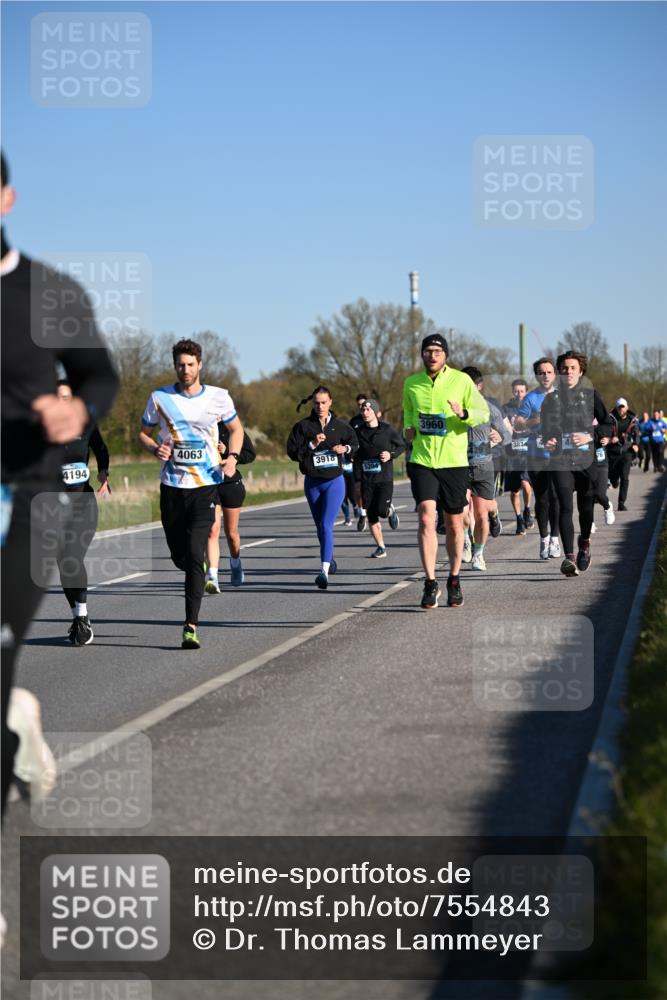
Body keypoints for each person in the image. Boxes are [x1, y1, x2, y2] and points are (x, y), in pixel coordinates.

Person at [1, 151, 118, 812]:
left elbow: (99, 373)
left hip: (26, 499)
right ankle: (14, 711)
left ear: (6, 200)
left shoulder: (48, 293)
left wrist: (82, 409)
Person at [139, 338, 244, 649]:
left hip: (205, 487)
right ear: (175, 367)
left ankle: (190, 625)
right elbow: (143, 433)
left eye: (190, 364)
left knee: (197, 553)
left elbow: (237, 430)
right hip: (172, 487)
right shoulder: (159, 398)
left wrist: (232, 459)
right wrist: (154, 448)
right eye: (180, 365)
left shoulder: (218, 397)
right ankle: (192, 568)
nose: (185, 370)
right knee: (180, 555)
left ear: (200, 366)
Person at [403, 333, 489, 609]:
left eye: (437, 351)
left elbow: (482, 412)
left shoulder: (461, 381)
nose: (432, 355)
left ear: (446, 355)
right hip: (422, 459)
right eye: (427, 351)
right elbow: (408, 411)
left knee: (454, 524)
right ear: (422, 354)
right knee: (427, 518)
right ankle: (430, 583)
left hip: (453, 461)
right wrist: (409, 428)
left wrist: (463, 413)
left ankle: (453, 578)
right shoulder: (411, 383)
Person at [541, 350, 613, 576]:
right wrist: (549, 441)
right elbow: (545, 431)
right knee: (564, 505)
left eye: (572, 368)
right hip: (561, 459)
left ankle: (584, 542)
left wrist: (591, 435)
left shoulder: (591, 395)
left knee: (585, 507)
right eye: (564, 368)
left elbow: (609, 424)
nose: (568, 371)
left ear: (581, 372)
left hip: (586, 460)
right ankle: (569, 558)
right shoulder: (551, 399)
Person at [55, 379, 111, 644]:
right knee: (63, 563)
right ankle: (79, 617)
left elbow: (101, 448)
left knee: (73, 556)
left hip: (83, 503)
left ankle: (83, 616)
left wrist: (104, 472)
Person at [286, 385, 358, 589]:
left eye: (324, 402)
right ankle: (330, 559)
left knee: (326, 525)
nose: (320, 406)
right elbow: (292, 452)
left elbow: (355, 444)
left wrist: (345, 448)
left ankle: (323, 572)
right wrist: (312, 445)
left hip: (334, 482)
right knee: (320, 527)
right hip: (312, 483)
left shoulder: (341, 426)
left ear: (330, 402)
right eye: (317, 403)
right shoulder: (303, 427)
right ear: (312, 404)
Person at [460, 367, 511, 571]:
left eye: (470, 385)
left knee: (481, 515)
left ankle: (479, 554)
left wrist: (500, 438)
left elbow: (507, 435)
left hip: (483, 467)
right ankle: (465, 541)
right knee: (462, 512)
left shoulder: (490, 408)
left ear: (479, 386)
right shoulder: (453, 409)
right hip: (460, 467)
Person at [514, 358, 562, 560]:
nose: (546, 375)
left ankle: (555, 539)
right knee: (542, 499)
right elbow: (518, 424)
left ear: (555, 374)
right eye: (542, 372)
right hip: (536, 455)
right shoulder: (531, 398)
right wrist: (537, 419)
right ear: (536, 375)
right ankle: (544, 539)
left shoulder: (563, 396)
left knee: (557, 498)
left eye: (549, 372)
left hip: (559, 455)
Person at [205, 421, 256, 594]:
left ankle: (235, 563)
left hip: (230, 484)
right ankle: (213, 577)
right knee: (212, 530)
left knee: (231, 533)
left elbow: (250, 454)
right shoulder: (199, 426)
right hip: (209, 485)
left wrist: (229, 453)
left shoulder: (232, 429)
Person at [353, 399, 405, 558]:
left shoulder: (387, 430)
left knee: (382, 511)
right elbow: (355, 454)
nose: (365, 413)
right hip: (366, 479)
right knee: (371, 514)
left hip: (384, 478)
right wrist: (357, 478)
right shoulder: (358, 432)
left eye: (368, 410)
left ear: (376, 412)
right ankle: (381, 547)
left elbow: (401, 446)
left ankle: (390, 511)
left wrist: (391, 454)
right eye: (363, 410)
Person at [503, 378, 534, 535]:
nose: (519, 394)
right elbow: (502, 428)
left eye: (522, 391)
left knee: (526, 485)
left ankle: (527, 509)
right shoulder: (506, 409)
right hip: (512, 454)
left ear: (526, 392)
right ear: (512, 392)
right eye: (516, 391)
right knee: (515, 491)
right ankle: (519, 518)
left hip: (527, 454)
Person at [607, 398, 639, 511]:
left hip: (627, 451)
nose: (621, 409)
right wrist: (611, 439)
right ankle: (614, 481)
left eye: (623, 407)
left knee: (625, 477)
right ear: (616, 408)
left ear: (627, 407)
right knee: (613, 477)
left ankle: (621, 503)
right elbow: (605, 432)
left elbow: (636, 435)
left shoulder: (633, 420)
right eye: (619, 407)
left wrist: (636, 444)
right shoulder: (610, 419)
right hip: (613, 452)